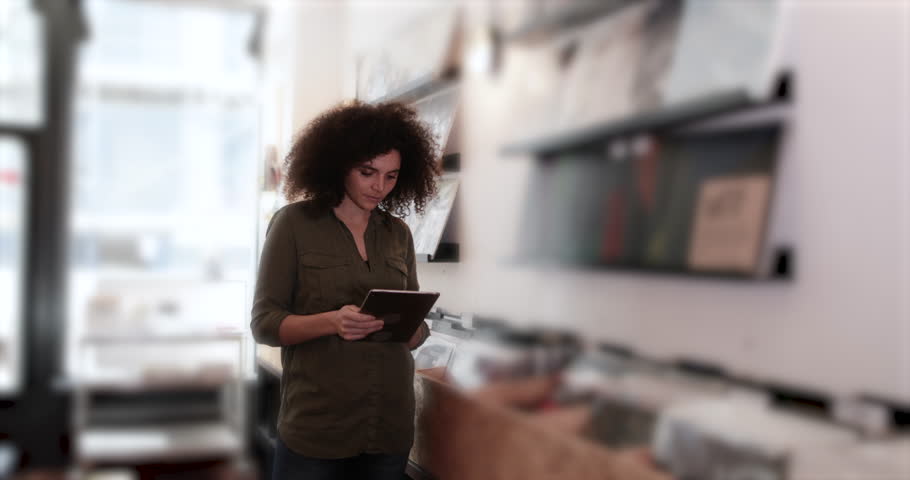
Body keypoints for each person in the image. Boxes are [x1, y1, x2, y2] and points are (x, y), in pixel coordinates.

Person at [251, 101, 440, 479]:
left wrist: (413, 330)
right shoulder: (293, 224)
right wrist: (332, 322)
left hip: (389, 424)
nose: (379, 186)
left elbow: (416, 328)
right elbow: (264, 324)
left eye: (391, 176)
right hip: (318, 428)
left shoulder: (397, 234)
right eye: (367, 172)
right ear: (338, 165)